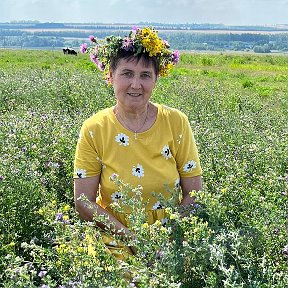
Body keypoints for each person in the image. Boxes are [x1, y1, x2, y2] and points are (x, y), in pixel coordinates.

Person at [74, 27, 203, 260]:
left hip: (172, 234)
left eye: (145, 75)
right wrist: (133, 240)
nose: (136, 85)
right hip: (114, 234)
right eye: (127, 74)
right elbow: (83, 202)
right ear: (110, 77)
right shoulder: (94, 128)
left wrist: (170, 237)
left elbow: (194, 190)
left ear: (156, 79)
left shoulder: (176, 122)